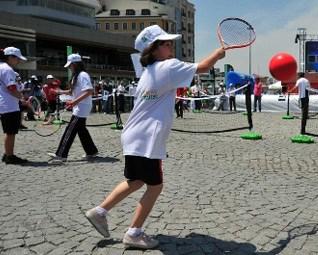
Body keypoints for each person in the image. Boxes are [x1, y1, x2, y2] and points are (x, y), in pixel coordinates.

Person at [84, 25, 225, 249]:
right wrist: (218, 53)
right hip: (147, 138)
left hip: (134, 136)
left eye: (170, 42)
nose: (171, 46)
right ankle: (134, 232)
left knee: (137, 181)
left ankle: (99, 211)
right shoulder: (168, 67)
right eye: (165, 43)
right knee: (155, 186)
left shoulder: (148, 71)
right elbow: (204, 67)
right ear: (153, 49)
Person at [48, 53, 98, 164]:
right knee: (81, 130)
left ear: (75, 64)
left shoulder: (83, 75)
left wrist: (74, 101)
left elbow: (89, 91)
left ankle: (61, 155)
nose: (69, 67)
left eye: (70, 65)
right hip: (80, 105)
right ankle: (91, 151)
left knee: (70, 130)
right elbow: (72, 92)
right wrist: (59, 92)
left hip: (82, 106)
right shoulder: (76, 76)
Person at [0, 47, 30, 164]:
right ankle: (10, 156)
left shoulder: (1, 67)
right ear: (10, 57)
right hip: (9, 104)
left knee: (9, 131)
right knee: (11, 132)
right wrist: (22, 99)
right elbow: (11, 88)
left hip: (4, 104)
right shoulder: (7, 69)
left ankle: (6, 154)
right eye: (17, 59)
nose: (18, 61)